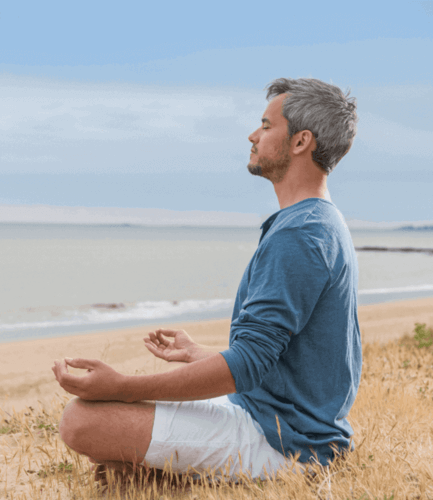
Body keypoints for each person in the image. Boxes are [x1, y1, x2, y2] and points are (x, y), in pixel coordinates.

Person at [52, 77, 362, 481]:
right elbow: (277, 357)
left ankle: (178, 474)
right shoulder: (317, 220)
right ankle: (156, 472)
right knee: (111, 424)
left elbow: (249, 363)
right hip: (272, 415)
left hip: (284, 443)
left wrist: (123, 386)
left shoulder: (301, 233)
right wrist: (199, 354)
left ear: (301, 142)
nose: (253, 135)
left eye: (267, 126)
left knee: (81, 421)